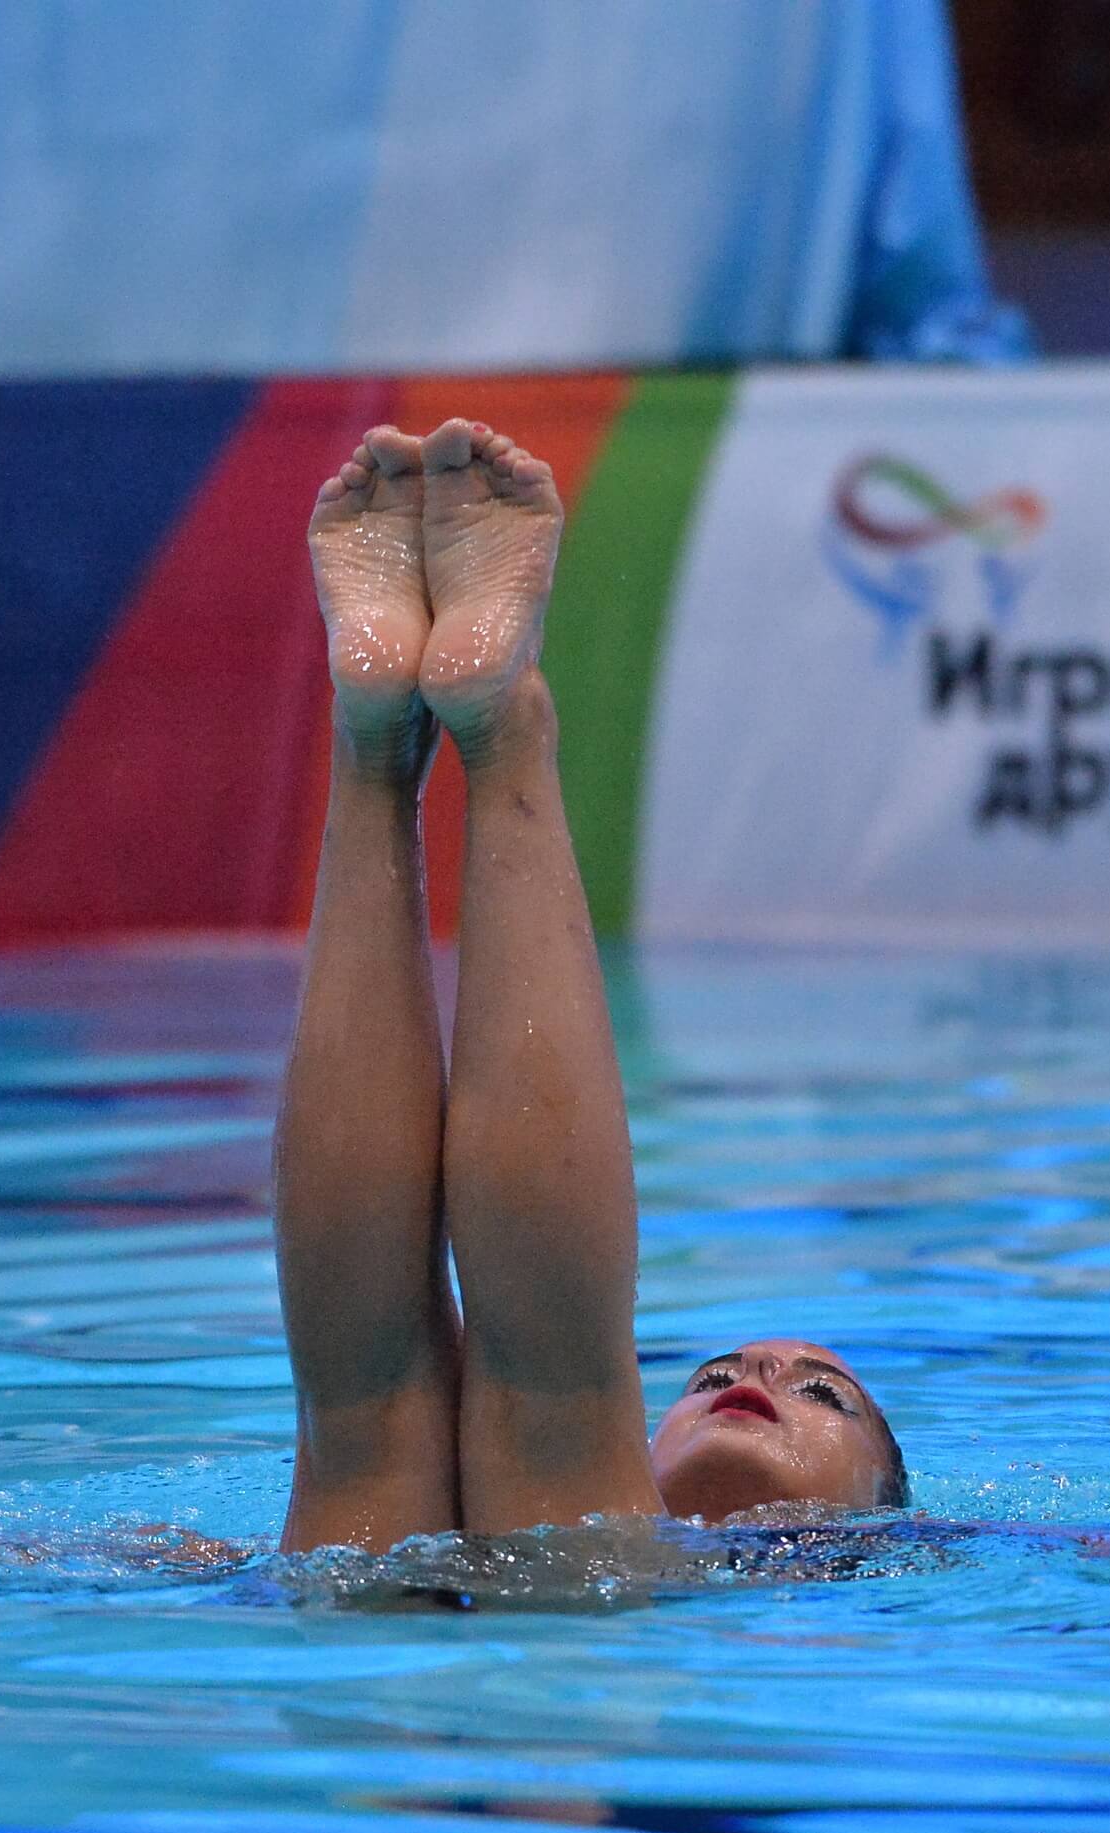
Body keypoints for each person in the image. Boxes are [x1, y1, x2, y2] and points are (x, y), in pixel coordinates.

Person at [277, 418, 908, 1556]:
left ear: (886, 1518)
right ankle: (467, 721)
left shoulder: (894, 1590)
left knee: (367, 1433)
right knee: (536, 1427)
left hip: (364, 1634)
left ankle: (384, 745)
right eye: (713, 1373)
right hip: (576, 1616)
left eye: (825, 1397)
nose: (753, 1378)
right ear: (652, 1449)